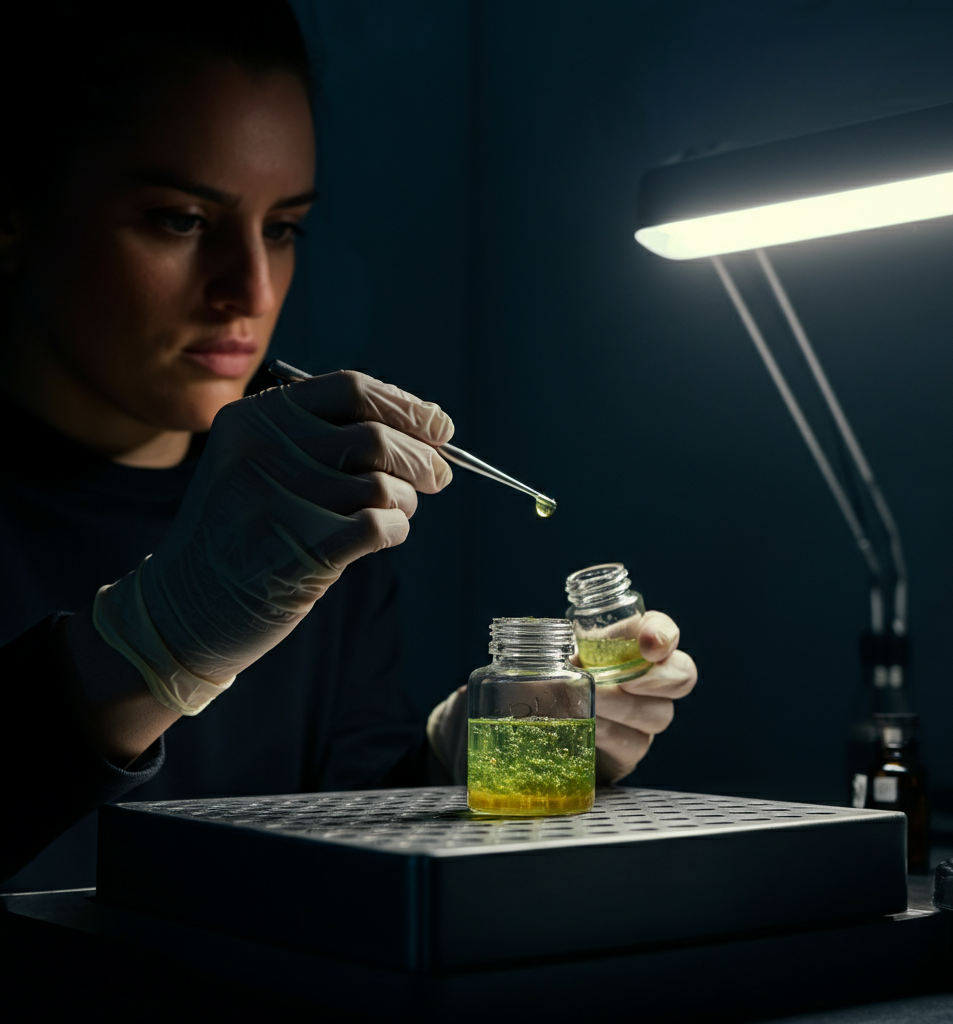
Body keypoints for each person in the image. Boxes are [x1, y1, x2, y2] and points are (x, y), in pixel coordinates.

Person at [0, 1, 697, 889]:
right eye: (179, 219)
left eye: (283, 227)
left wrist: (461, 761)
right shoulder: (287, 524)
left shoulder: (311, 518)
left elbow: (340, 822)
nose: (247, 288)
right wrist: (150, 644)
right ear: (14, 213)